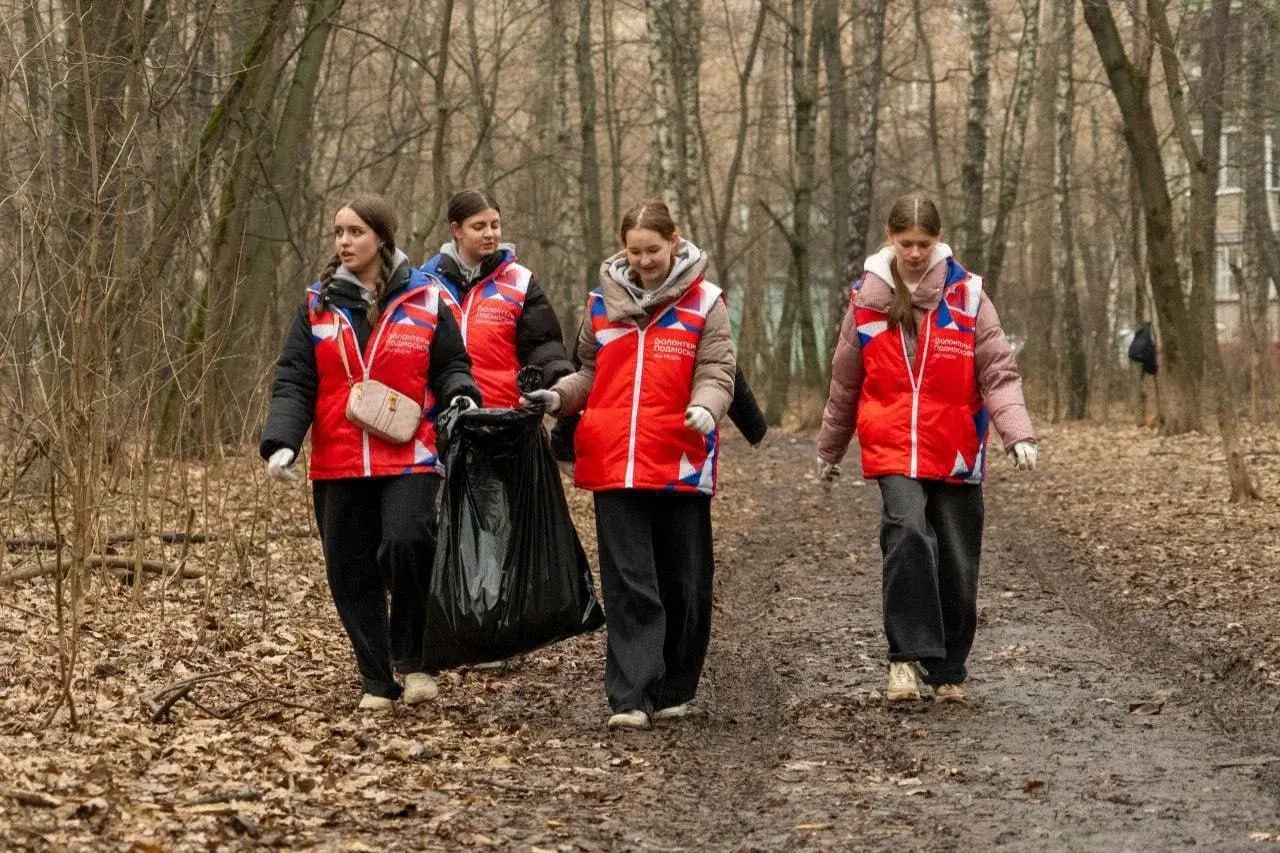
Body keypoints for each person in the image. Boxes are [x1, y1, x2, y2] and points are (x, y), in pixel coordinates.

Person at [260, 194, 482, 712]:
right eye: (339, 232)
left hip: (410, 453)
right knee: (349, 567)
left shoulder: (426, 299)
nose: (344, 242)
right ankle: (377, 678)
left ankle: (415, 658)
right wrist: (282, 442)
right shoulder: (317, 305)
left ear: (382, 238)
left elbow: (451, 364)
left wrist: (462, 392)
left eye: (355, 232)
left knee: (408, 541)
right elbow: (294, 381)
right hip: (338, 460)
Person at [815, 191, 1037, 705]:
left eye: (924, 243)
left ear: (939, 240)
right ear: (889, 239)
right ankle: (904, 659)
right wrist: (830, 448)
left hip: (955, 445)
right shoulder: (866, 299)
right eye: (905, 242)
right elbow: (846, 383)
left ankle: (949, 668)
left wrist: (1017, 433)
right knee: (909, 532)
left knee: (958, 558)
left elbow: (998, 372)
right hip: (891, 443)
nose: (914, 253)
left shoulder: (969, 297)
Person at [522, 200, 736, 730]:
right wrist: (557, 397)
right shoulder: (601, 306)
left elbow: (717, 369)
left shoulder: (706, 303)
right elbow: (590, 375)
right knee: (629, 581)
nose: (643, 261)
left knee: (683, 581)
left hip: (681, 458)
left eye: (653, 250)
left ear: (675, 242)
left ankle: (676, 685)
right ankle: (631, 696)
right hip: (615, 461)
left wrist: (707, 407)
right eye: (634, 251)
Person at [415, 187, 575, 408]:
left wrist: (560, 381)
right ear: (456, 230)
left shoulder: (519, 280)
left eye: (495, 225)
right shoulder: (426, 282)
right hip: (441, 417)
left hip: (503, 416)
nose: (490, 234)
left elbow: (543, 345)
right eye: (479, 227)